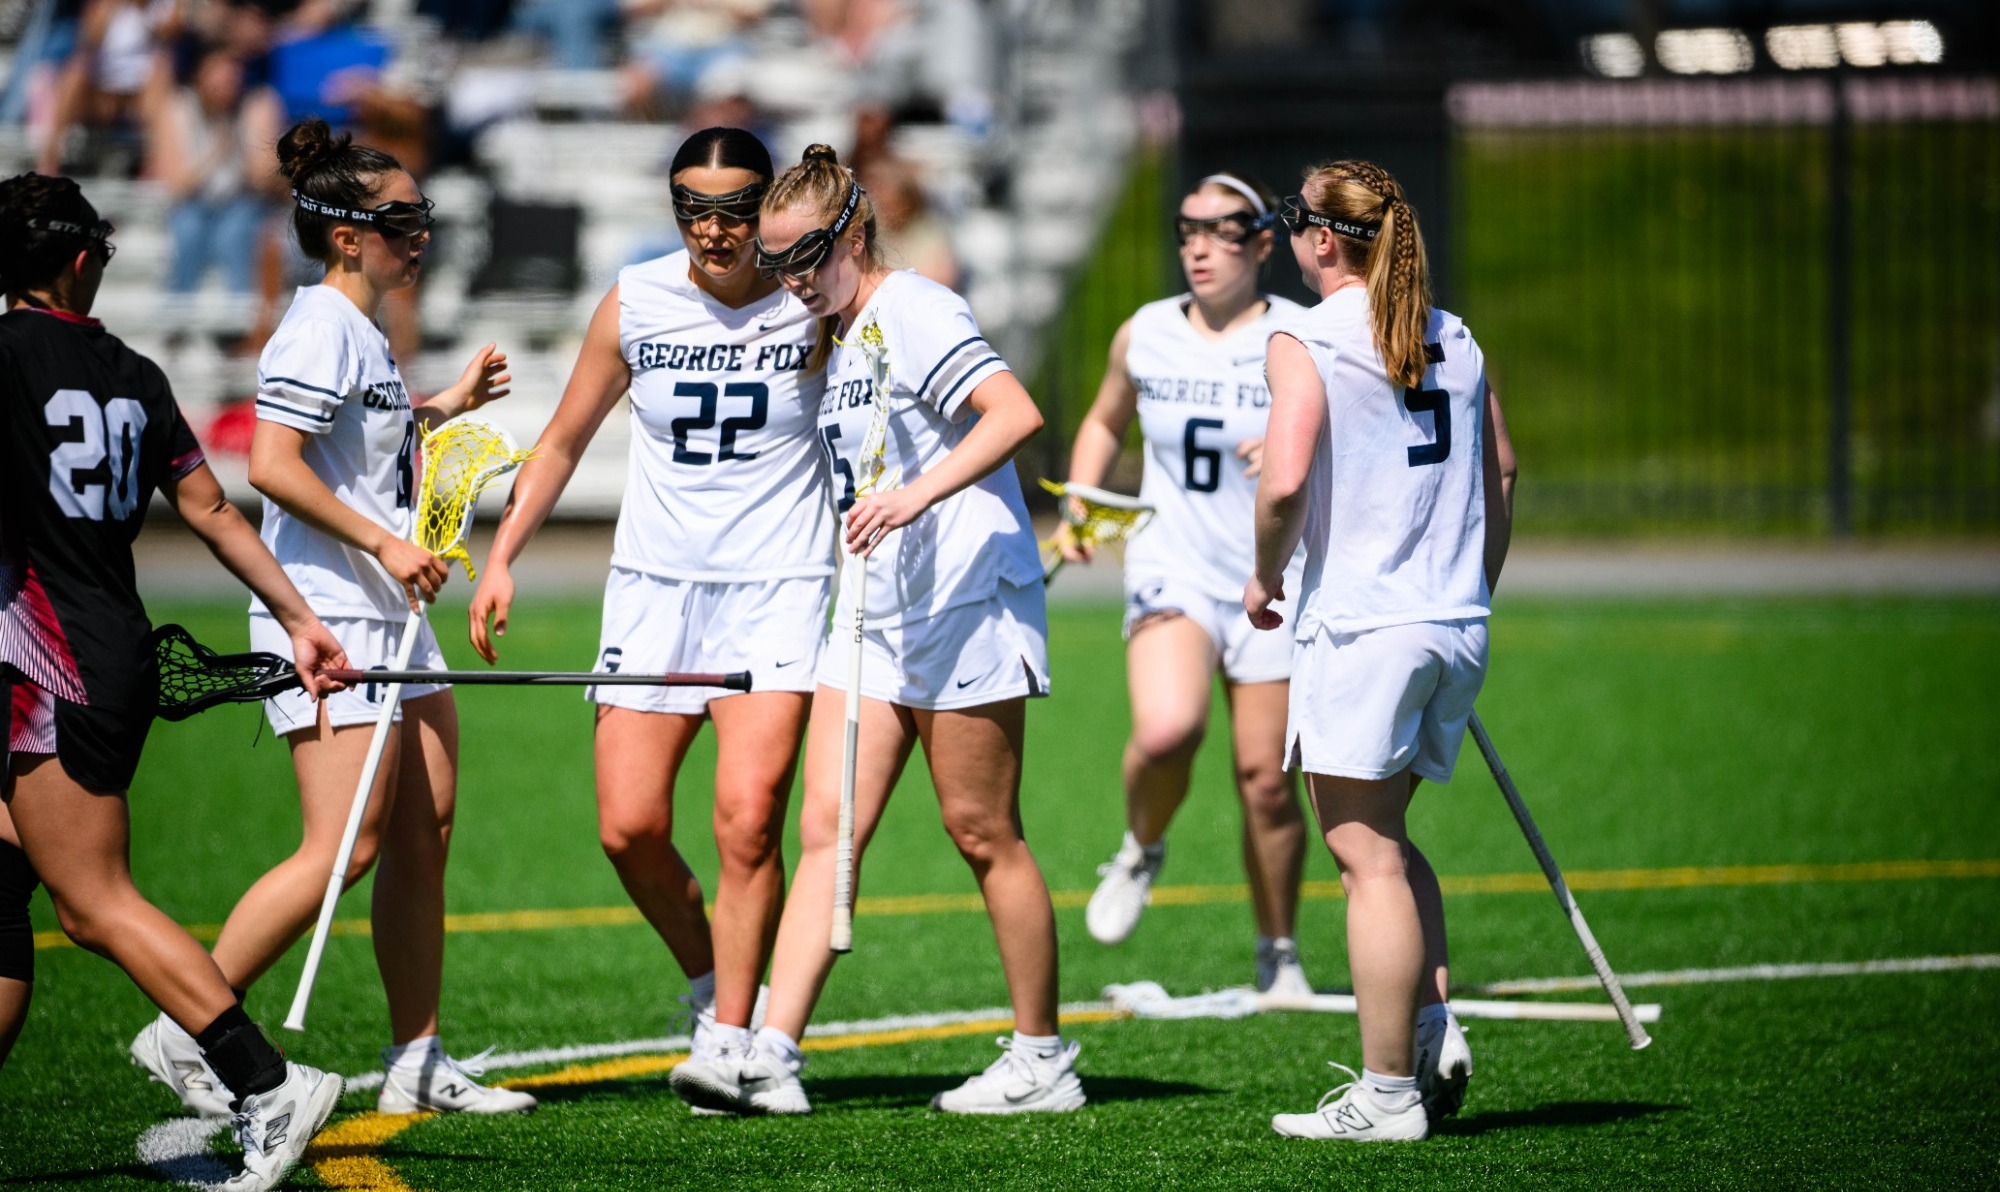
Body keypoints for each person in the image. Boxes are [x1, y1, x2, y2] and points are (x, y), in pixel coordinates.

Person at [126, 118, 536, 1120]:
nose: (420, 235)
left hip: (389, 612)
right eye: (402, 222)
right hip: (330, 614)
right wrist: (389, 545)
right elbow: (272, 466)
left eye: (421, 217)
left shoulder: (361, 330)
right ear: (347, 237)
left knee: (425, 828)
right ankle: (187, 1029)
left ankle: (417, 1058)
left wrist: (443, 404)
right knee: (340, 849)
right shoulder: (318, 326)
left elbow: (361, 445)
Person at [670, 144, 1079, 1117]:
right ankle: (772, 1054)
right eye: (775, 262)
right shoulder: (838, 333)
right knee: (828, 829)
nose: (791, 279)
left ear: (854, 232)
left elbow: (1012, 414)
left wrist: (913, 496)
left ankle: (1042, 1060)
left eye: (806, 256)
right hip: (874, 613)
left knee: (981, 830)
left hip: (966, 600)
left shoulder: (916, 309)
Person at [0, 170, 344, 1190]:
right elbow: (212, 511)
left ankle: (267, 1082)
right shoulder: (135, 372)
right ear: (79, 260)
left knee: (94, 901)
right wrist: (300, 619)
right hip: (100, 648)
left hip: (47, 661)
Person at [469, 127, 829, 1083]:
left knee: (748, 820)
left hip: (778, 588)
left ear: (768, 206)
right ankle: (715, 984)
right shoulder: (635, 300)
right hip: (652, 590)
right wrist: (501, 556)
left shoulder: (813, 305)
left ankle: (736, 1041)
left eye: (736, 209)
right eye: (692, 210)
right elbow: (560, 440)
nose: (713, 230)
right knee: (628, 828)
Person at [1245, 160, 1516, 1141]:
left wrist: (1261, 576)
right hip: (1450, 621)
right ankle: (1431, 1032)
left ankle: (1388, 1094)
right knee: (1387, 841)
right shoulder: (1455, 333)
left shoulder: (1305, 334)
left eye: (1295, 217)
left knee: (1363, 857)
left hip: (1365, 629)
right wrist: (1464, 594)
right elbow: (1502, 472)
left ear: (1323, 239)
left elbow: (1283, 483)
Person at [1058, 171, 1312, 994]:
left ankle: (1278, 955)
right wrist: (1082, 500)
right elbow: (1105, 418)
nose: (1201, 247)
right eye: (1188, 230)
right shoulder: (1146, 331)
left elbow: (1354, 434)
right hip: (1174, 563)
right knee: (1168, 730)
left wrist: (1297, 445)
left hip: (1272, 576)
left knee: (1267, 782)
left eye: (1223, 231)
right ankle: (1141, 847)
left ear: (1264, 244)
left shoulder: (1299, 336)